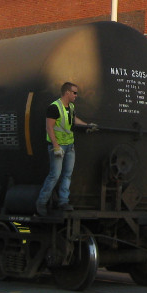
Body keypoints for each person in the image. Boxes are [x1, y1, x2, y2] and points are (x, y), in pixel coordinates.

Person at [36, 82, 97, 216]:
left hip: (69, 146)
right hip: (58, 147)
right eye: (74, 92)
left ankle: (63, 201)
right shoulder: (54, 107)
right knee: (54, 175)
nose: (76, 95)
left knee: (67, 175)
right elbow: (49, 128)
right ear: (67, 93)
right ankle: (41, 202)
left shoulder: (71, 107)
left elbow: (74, 120)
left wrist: (87, 125)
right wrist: (56, 147)